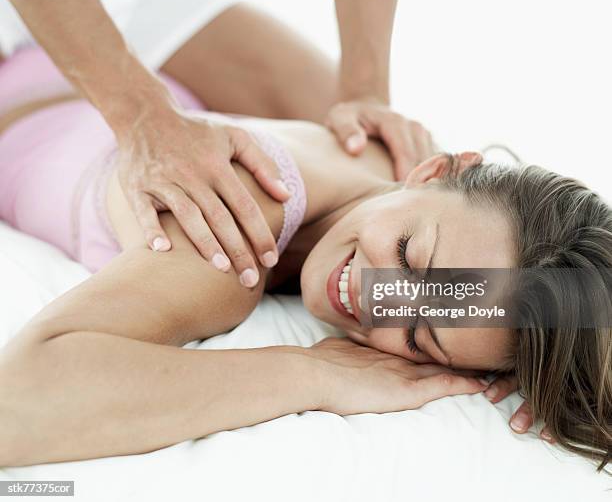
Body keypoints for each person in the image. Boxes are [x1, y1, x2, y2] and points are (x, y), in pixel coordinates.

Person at [0, 48, 610, 470]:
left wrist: (535, 361)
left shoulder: (442, 213)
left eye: (419, 335)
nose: (375, 298)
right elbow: (19, 403)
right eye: (409, 258)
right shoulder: (230, 236)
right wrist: (317, 373)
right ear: (434, 170)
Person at [0, 0, 434, 287]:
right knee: (195, 244)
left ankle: (486, 339)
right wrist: (142, 115)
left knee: (394, 170)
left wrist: (366, 90)